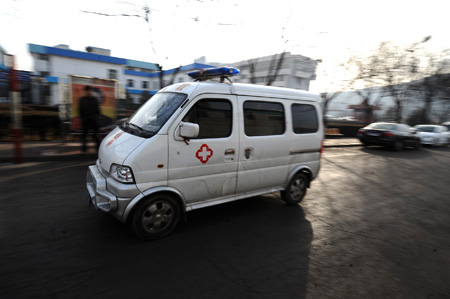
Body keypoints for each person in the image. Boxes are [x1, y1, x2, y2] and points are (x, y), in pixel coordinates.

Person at [79, 85, 100, 152]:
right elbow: (80, 110)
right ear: (85, 91)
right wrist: (83, 119)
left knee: (96, 135)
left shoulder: (95, 99)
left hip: (93, 120)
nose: (89, 92)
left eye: (90, 90)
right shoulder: (82, 99)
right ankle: (84, 149)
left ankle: (98, 149)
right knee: (84, 135)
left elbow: (97, 110)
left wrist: (98, 118)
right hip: (85, 120)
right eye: (87, 90)